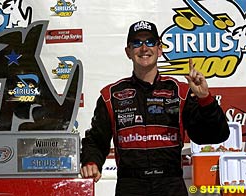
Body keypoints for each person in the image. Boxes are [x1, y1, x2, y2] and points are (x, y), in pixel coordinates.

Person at [80, 20, 230, 196]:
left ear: (159, 49)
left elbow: (215, 135)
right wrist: (91, 161)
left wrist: (205, 99)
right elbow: (96, 140)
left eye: (150, 42)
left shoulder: (179, 91)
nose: (144, 48)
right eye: (137, 43)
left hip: (170, 184)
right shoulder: (112, 95)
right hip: (130, 186)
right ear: (128, 52)